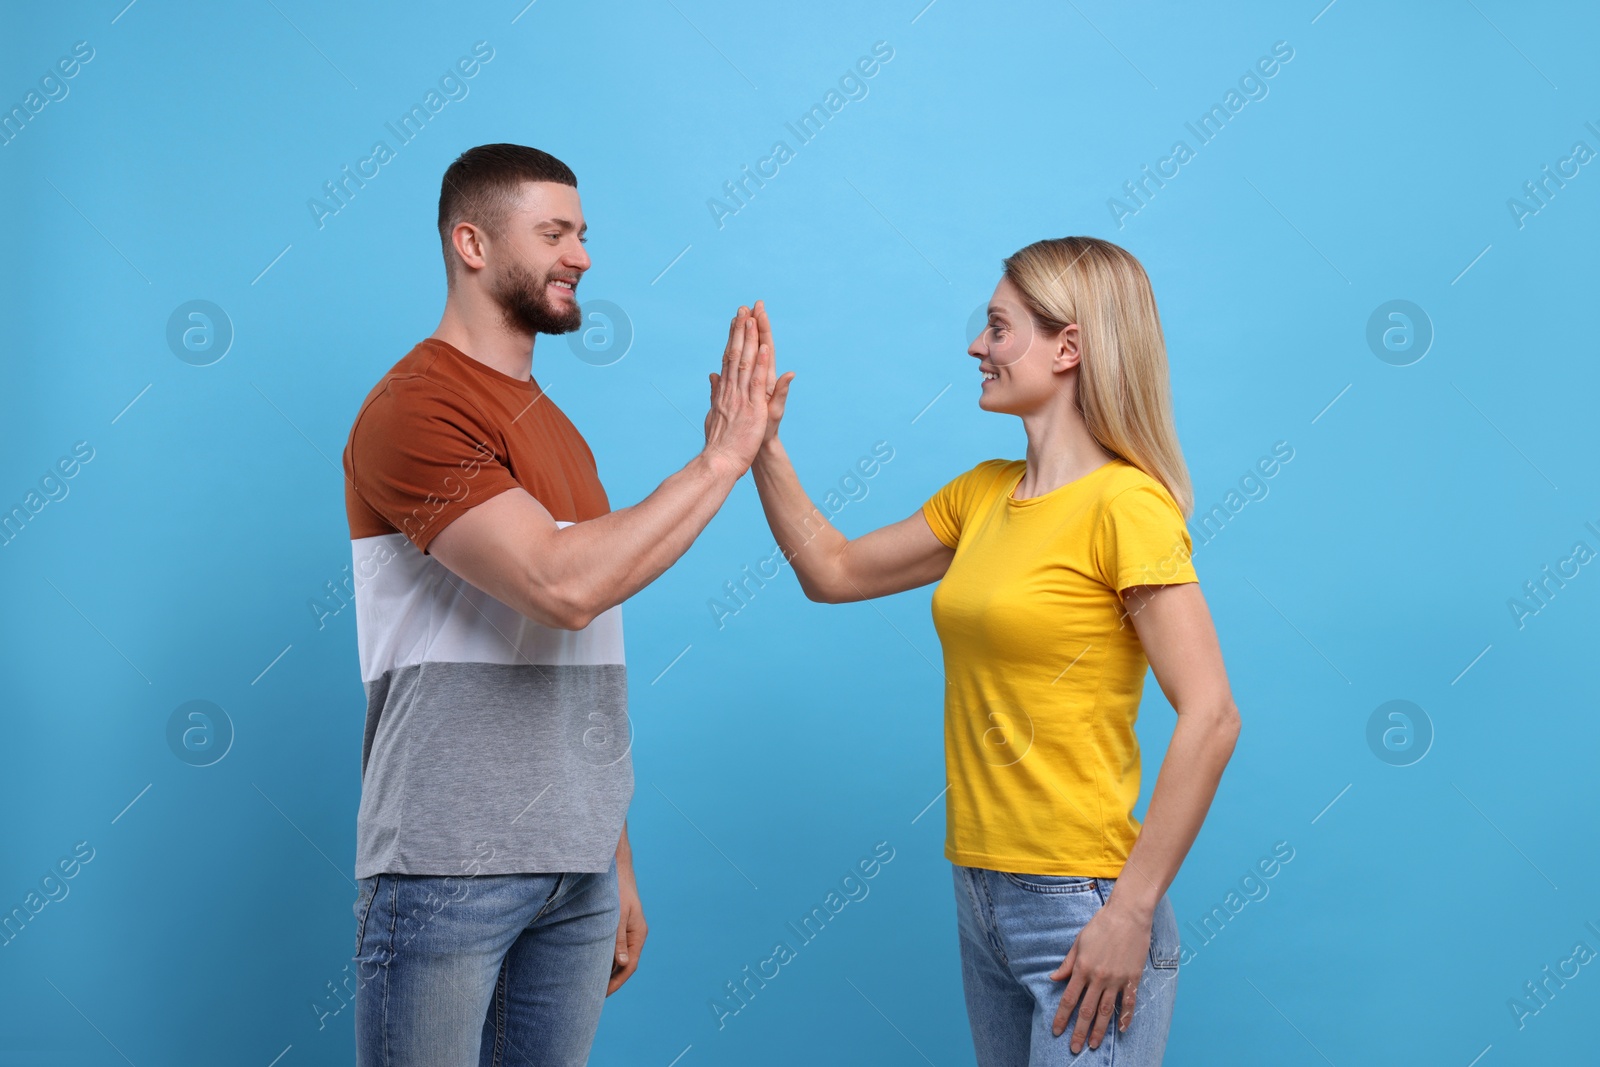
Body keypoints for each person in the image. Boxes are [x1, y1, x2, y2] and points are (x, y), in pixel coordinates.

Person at [742, 236, 1241, 1065]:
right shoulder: (980, 494)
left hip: (1085, 902)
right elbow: (830, 571)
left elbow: (1213, 716)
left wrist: (1131, 910)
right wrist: (758, 445)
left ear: (1069, 347)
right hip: (982, 889)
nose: (978, 345)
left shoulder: (1127, 506)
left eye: (999, 327)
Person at [340, 143, 772, 1065]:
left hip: (573, 871)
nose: (580, 255)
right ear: (472, 243)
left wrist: (609, 859)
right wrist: (722, 460)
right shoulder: (414, 408)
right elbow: (560, 584)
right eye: (555, 233)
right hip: (446, 865)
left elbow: (581, 655)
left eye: (582, 234)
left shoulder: (554, 425)